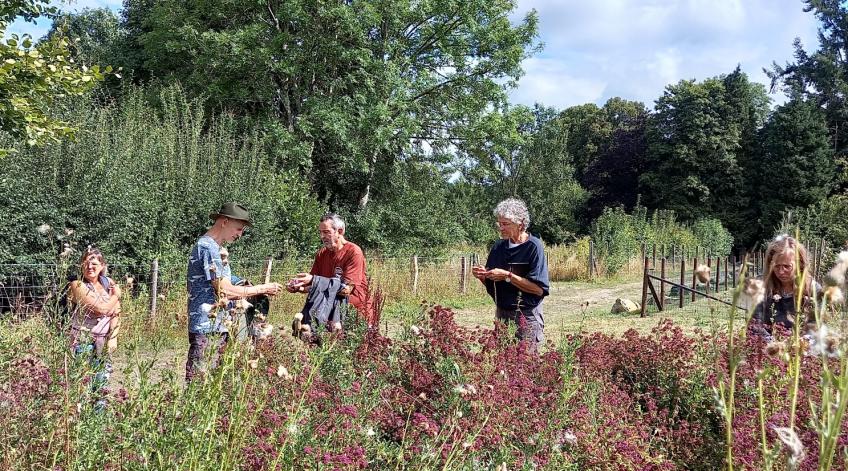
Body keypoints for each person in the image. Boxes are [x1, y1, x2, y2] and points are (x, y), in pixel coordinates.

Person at [185, 202, 283, 382]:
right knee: (199, 386)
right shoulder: (208, 247)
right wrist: (263, 288)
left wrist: (241, 283)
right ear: (224, 221)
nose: (240, 234)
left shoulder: (216, 248)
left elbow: (221, 282)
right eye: (238, 228)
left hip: (219, 325)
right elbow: (225, 290)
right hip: (208, 327)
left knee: (216, 384)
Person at [473, 198, 550, 352]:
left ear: (520, 224)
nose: (500, 228)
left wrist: (508, 276)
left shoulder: (533, 247)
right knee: (504, 364)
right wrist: (484, 276)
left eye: (505, 224)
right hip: (502, 314)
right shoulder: (498, 247)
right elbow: (494, 284)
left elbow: (539, 290)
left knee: (525, 365)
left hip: (526, 316)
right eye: (499, 224)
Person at [287, 213, 371, 331]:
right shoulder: (322, 254)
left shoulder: (353, 252)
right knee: (320, 344)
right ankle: (306, 325)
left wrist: (314, 280)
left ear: (340, 231)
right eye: (320, 232)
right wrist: (298, 287)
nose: (322, 236)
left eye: (326, 232)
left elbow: (346, 290)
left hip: (354, 312)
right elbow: (315, 286)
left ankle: (307, 324)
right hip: (328, 312)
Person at [67, 247, 122, 392]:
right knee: (82, 387)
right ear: (81, 265)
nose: (89, 267)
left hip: (103, 342)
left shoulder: (108, 282)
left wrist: (113, 337)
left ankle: (99, 414)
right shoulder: (77, 284)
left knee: (101, 387)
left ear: (102, 266)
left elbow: (116, 312)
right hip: (82, 342)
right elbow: (100, 309)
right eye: (86, 263)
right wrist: (116, 295)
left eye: (94, 264)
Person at [750, 234, 816, 337]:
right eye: (776, 266)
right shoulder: (761, 287)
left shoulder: (813, 290)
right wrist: (775, 345)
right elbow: (754, 325)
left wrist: (796, 345)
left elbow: (816, 330)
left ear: (800, 265)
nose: (781, 272)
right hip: (766, 348)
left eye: (787, 266)